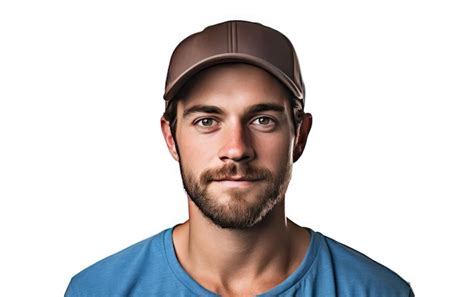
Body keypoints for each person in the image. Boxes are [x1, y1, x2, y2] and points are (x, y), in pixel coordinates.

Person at [65, 20, 414, 297]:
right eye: (207, 121)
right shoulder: (98, 291)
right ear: (171, 138)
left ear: (300, 136)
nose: (236, 148)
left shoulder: (376, 292)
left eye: (262, 120)